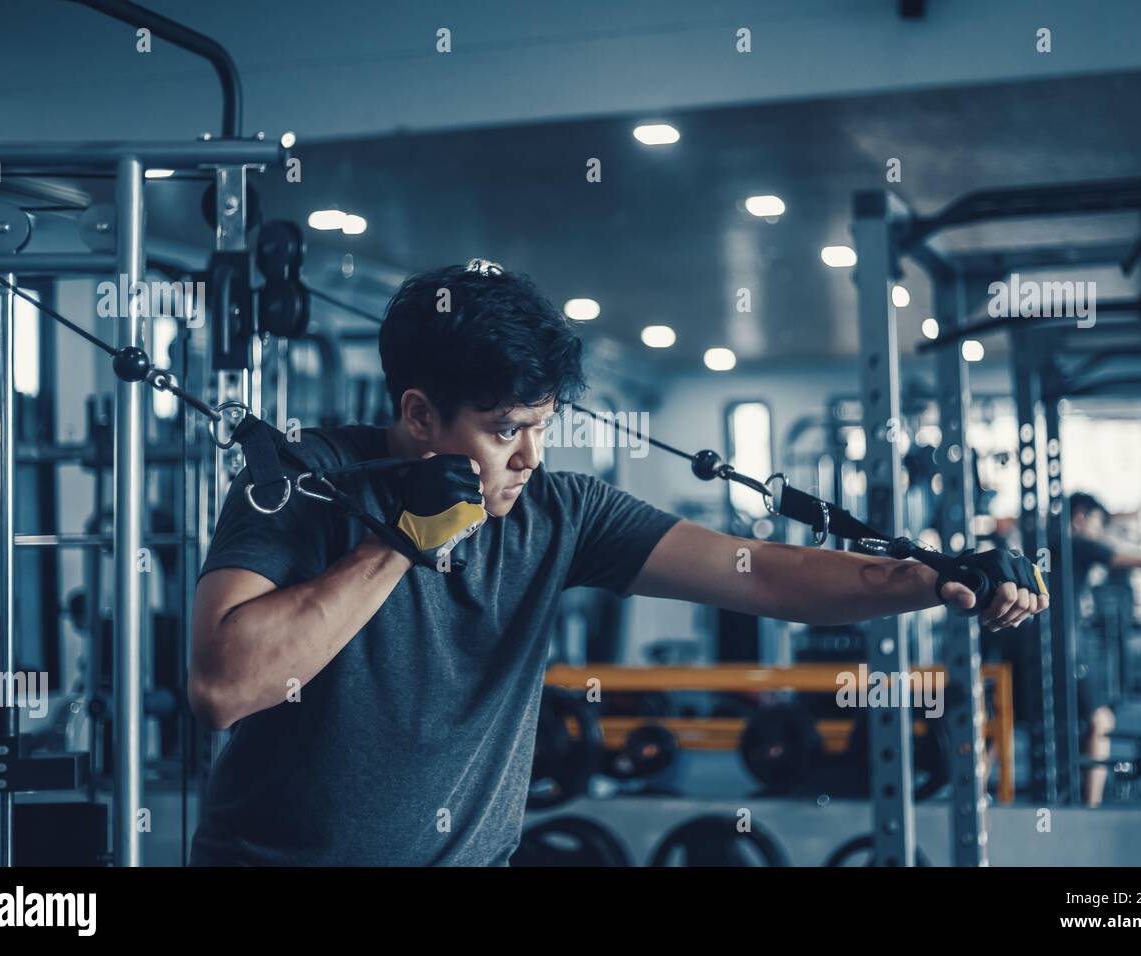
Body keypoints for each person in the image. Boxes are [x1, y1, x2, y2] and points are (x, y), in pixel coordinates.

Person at [185, 262, 1047, 866]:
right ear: (417, 414)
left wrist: (933, 576)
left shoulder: (561, 512)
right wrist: (400, 542)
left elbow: (764, 572)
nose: (529, 456)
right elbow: (224, 684)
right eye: (504, 430)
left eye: (543, 423)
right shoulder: (301, 482)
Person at [1068, 492, 1141, 806]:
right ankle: (1090, 806)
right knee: (1100, 720)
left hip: (1060, 649)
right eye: (1096, 523)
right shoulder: (1077, 543)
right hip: (1069, 651)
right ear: (1080, 516)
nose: (1098, 531)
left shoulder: (1053, 544)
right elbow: (1123, 558)